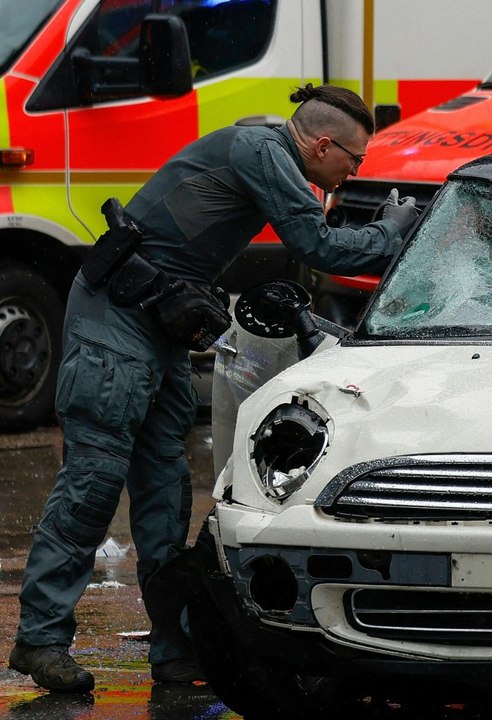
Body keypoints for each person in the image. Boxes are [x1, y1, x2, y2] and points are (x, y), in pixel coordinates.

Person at [6, 84, 419, 694]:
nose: (352, 171)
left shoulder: (263, 152)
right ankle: (40, 642)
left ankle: (175, 654)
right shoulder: (263, 150)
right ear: (323, 143)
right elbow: (317, 247)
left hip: (154, 324)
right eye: (353, 160)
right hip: (115, 322)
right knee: (92, 487)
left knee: (166, 498)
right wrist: (393, 232)